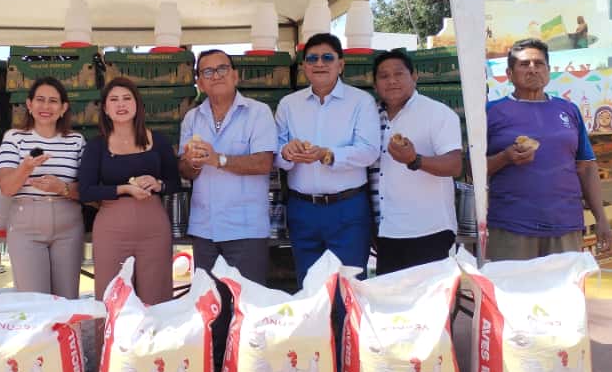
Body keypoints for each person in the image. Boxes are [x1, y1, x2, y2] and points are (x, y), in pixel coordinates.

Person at [486, 38, 612, 260]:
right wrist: (505, 157)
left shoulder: (568, 110)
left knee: (565, 284)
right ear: (509, 74)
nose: (533, 69)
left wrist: (601, 218)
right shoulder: (491, 112)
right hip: (511, 226)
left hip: (565, 226)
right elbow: (472, 170)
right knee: (514, 284)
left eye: (539, 64)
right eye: (524, 64)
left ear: (548, 71)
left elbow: (586, 168)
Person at [275, 33, 380, 284]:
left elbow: (369, 151)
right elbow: (274, 153)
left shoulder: (361, 102)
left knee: (348, 286)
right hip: (302, 208)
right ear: (304, 66)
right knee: (309, 288)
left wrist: (327, 154)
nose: (319, 63)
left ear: (341, 64)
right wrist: (287, 153)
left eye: (327, 58)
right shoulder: (288, 104)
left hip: (347, 208)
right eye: (312, 58)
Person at [78, 77, 179, 304]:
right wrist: (124, 189)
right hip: (111, 230)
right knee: (113, 298)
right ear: (105, 108)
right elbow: (86, 191)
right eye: (114, 99)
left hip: (154, 229)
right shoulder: (97, 146)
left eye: (127, 98)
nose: (121, 104)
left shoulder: (158, 141)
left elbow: (174, 182)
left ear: (137, 104)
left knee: (156, 297)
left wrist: (158, 184)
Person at [179, 49, 277, 283]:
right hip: (204, 229)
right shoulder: (192, 118)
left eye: (222, 69)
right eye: (208, 72)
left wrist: (218, 160)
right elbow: (185, 171)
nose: (216, 76)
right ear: (200, 83)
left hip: (246, 229)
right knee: (210, 303)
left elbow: (264, 163)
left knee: (248, 302)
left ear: (235, 75)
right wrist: (192, 163)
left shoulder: (258, 113)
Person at [369, 49, 463, 275]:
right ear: (375, 84)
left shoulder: (437, 113)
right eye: (384, 76)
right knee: (391, 295)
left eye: (399, 74)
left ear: (414, 76)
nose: (392, 81)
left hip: (428, 230)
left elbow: (455, 165)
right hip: (386, 230)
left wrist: (415, 160)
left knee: (430, 296)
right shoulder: (369, 116)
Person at [0, 77, 85, 298]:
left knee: (67, 299)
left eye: (53, 101)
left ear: (63, 108)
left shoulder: (76, 140)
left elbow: (87, 189)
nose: (46, 106)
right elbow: (6, 188)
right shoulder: (14, 138)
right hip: (25, 225)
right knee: (33, 301)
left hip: (69, 225)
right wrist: (26, 168)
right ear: (29, 104)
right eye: (40, 100)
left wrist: (62, 187)